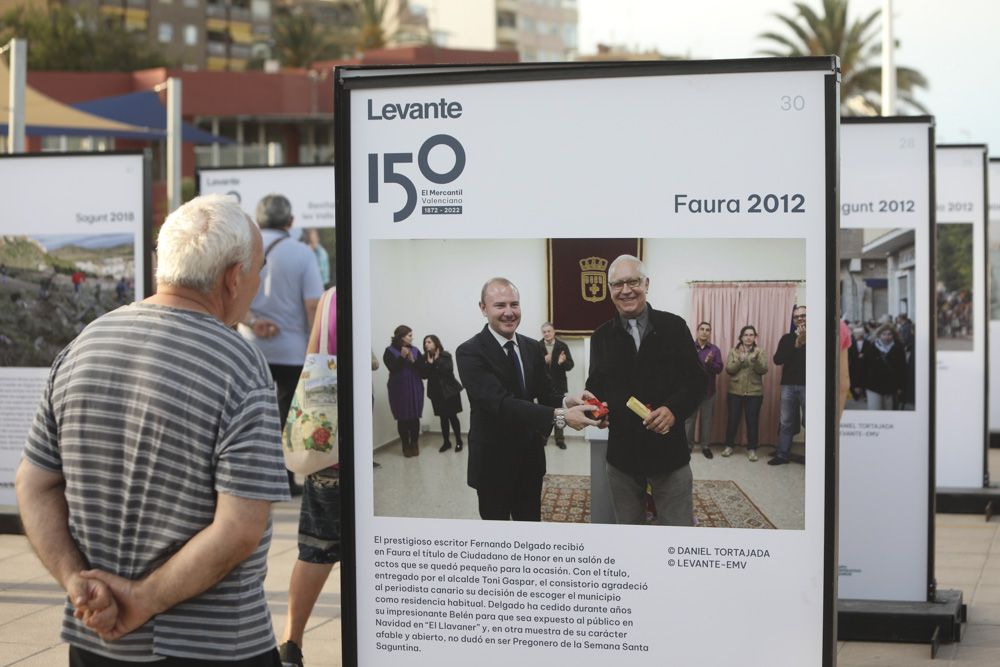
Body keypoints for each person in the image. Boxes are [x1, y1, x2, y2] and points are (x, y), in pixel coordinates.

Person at [15, 194, 289, 664]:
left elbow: (33, 483)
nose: (257, 287)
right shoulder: (239, 366)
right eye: (257, 272)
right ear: (232, 277)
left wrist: (77, 583)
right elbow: (239, 528)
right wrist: (142, 599)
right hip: (215, 645)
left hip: (97, 640)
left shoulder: (84, 345)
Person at [456, 277, 598, 521]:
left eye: (515, 304)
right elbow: (500, 403)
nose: (509, 312)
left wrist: (568, 401)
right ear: (483, 308)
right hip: (493, 463)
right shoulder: (469, 351)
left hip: (529, 459)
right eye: (500, 305)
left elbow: (545, 394)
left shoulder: (531, 346)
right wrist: (561, 417)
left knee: (530, 526)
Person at [585, 255, 707, 526]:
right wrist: (594, 408)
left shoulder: (674, 327)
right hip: (622, 457)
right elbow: (595, 386)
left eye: (633, 281)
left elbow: (697, 382)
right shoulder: (601, 337)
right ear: (609, 290)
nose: (626, 290)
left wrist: (674, 410)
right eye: (617, 284)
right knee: (629, 534)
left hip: (669, 454)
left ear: (647, 284)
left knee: (677, 533)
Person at [239, 194, 324, 495]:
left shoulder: (246, 249)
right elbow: (313, 305)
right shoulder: (302, 253)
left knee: (253, 414)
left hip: (250, 348)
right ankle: (286, 480)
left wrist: (252, 322)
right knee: (290, 417)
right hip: (292, 349)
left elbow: (233, 295)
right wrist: (315, 348)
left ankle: (254, 478)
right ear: (290, 222)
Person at [278, 288, 340, 667]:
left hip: (328, 443)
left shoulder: (331, 296)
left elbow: (312, 358)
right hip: (352, 442)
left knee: (316, 548)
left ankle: (292, 642)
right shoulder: (367, 288)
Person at [722, 325, 768, 461]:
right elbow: (729, 370)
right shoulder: (733, 351)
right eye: (746, 335)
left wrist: (756, 359)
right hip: (735, 392)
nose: (748, 337)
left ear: (755, 337)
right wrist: (740, 360)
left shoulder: (760, 351)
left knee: (752, 421)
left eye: (751, 335)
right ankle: (729, 446)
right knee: (732, 420)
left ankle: (752, 449)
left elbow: (763, 370)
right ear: (741, 337)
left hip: (754, 393)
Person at [770, 305, 807, 465]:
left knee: (810, 422)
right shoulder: (787, 338)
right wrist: (797, 344)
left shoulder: (820, 336)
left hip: (809, 387)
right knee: (786, 421)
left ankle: (813, 458)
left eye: (803, 316)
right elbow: (778, 360)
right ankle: (783, 455)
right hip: (788, 386)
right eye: (796, 317)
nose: (800, 319)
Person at [416, 334, 465, 452]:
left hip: (450, 391)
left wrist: (436, 361)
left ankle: (459, 441)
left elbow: (448, 371)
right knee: (443, 418)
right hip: (436, 393)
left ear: (436, 343)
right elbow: (423, 375)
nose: (426, 344)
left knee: (453, 417)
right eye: (425, 342)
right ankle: (446, 442)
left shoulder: (445, 355)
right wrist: (430, 363)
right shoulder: (424, 358)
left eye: (429, 342)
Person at [383, 325, 425, 457]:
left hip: (415, 386)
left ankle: (414, 444)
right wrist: (401, 357)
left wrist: (413, 361)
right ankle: (405, 445)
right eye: (409, 335)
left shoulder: (416, 350)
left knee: (414, 417)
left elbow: (423, 371)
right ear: (401, 337)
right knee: (403, 418)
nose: (412, 338)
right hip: (398, 388)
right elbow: (392, 369)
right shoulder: (389, 351)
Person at [684, 321, 723, 459]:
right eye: (702, 329)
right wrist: (703, 363)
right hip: (692, 392)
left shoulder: (714, 350)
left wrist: (710, 363)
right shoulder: (689, 347)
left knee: (707, 420)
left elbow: (719, 369)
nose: (704, 332)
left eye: (707, 330)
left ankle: (705, 446)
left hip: (708, 391)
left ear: (710, 333)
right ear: (697, 331)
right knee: (689, 420)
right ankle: (688, 446)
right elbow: (684, 368)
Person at [539, 322, 575, 449]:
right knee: (543, 413)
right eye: (544, 332)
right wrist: (543, 361)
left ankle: (560, 439)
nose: (547, 334)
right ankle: (543, 438)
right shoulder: (537, 346)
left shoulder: (562, 346)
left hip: (559, 387)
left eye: (549, 331)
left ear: (554, 332)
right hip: (542, 387)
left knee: (559, 413)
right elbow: (532, 368)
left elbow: (570, 366)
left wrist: (562, 362)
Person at [862, 322, 907, 410]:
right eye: (884, 334)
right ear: (879, 335)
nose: (887, 337)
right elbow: (865, 367)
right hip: (873, 386)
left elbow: (902, 369)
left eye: (889, 334)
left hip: (891, 387)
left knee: (889, 413)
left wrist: (901, 387)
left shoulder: (898, 349)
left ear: (893, 335)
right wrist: (862, 385)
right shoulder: (872, 348)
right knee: (874, 411)